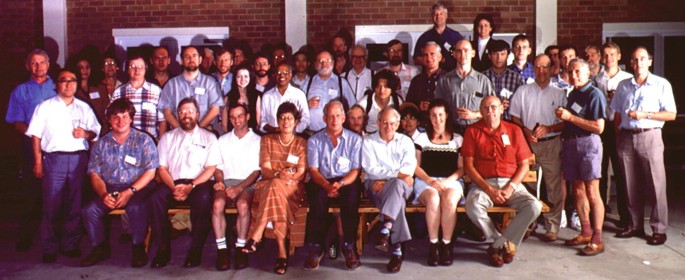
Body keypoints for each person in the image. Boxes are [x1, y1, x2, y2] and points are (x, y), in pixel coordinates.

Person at [26, 69, 101, 263]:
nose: (68, 84)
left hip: (78, 160)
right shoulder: (45, 107)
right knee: (51, 204)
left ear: (77, 84)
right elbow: (36, 135)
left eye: (72, 80)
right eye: (63, 80)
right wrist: (37, 161)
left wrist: (86, 133)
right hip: (54, 160)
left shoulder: (84, 107)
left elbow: (95, 132)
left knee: (74, 204)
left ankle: (70, 245)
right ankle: (49, 247)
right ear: (56, 84)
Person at [463, 95, 542, 267]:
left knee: (534, 206)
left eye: (493, 107)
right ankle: (501, 242)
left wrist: (511, 187)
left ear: (501, 109)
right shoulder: (472, 131)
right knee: (472, 206)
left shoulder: (514, 130)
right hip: (484, 184)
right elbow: (468, 167)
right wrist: (489, 190)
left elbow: (524, 165)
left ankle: (496, 246)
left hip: (512, 184)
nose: (490, 111)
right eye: (485, 108)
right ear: (481, 111)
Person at [80, 98, 158, 267]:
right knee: (90, 210)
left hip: (139, 187)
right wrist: (102, 194)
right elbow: (94, 174)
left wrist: (130, 191)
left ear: (131, 118)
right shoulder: (101, 144)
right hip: (110, 188)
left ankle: (138, 247)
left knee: (135, 207)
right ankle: (99, 248)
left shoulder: (144, 140)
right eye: (115, 117)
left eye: (124, 116)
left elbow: (151, 172)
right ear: (109, 120)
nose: (120, 121)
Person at [610, 47, 676, 246]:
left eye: (642, 59)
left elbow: (670, 114)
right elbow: (616, 113)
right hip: (626, 138)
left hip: (650, 136)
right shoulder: (623, 85)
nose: (638, 63)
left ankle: (658, 229)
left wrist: (645, 114)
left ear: (650, 61)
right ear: (630, 63)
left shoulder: (661, 84)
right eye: (635, 60)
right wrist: (618, 134)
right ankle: (634, 225)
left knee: (656, 184)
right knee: (630, 185)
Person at [149, 97, 220, 268]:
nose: (186, 115)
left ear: (197, 114)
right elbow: (162, 168)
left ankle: (195, 251)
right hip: (172, 183)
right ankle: (163, 250)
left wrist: (191, 186)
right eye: (182, 112)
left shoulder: (209, 137)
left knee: (203, 199)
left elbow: (210, 168)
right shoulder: (167, 137)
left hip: (198, 183)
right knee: (154, 199)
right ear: (177, 115)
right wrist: (174, 187)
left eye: (190, 111)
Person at [242, 102, 308, 275]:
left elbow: (301, 173)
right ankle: (282, 254)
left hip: (293, 187)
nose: (286, 121)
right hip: (269, 185)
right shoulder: (267, 140)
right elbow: (265, 169)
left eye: (290, 118)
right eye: (282, 118)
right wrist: (280, 175)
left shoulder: (302, 142)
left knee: (276, 188)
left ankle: (257, 232)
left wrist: (288, 177)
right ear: (278, 121)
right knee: (274, 187)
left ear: (296, 122)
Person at [509, 54, 567, 242]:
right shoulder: (523, 91)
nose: (541, 71)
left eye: (545, 67)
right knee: (527, 186)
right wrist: (525, 131)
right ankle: (528, 223)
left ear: (552, 68)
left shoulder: (559, 93)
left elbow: (566, 122)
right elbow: (514, 117)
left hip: (551, 143)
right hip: (527, 144)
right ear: (533, 69)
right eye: (538, 67)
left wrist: (550, 128)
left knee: (553, 187)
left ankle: (552, 226)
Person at [5, 49, 57, 252]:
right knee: (30, 192)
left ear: (48, 64)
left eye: (42, 62)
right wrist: (34, 134)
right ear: (27, 66)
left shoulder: (59, 86)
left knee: (56, 192)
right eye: (34, 63)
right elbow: (15, 120)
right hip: (30, 145)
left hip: (56, 145)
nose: (38, 66)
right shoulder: (20, 91)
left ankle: (56, 236)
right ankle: (26, 236)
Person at [556, 58, 607, 256]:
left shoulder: (594, 94)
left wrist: (570, 117)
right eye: (570, 72)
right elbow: (570, 122)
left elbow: (599, 127)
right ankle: (585, 232)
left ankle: (597, 238)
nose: (574, 75)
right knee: (577, 190)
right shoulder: (573, 93)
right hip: (571, 143)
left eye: (578, 72)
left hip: (588, 144)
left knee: (592, 191)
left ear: (587, 74)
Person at [304, 100, 363, 270]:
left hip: (346, 180)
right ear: (324, 118)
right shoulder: (314, 140)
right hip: (322, 180)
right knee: (317, 197)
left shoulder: (354, 139)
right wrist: (327, 186)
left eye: (338, 116)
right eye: (330, 116)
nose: (334, 120)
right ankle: (315, 247)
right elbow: (314, 171)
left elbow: (355, 170)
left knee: (352, 196)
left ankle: (349, 246)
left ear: (344, 118)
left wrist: (340, 184)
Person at [361, 107, 417, 273]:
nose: (388, 127)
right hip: (376, 186)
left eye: (392, 123)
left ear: (398, 124)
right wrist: (394, 175)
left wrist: (388, 178)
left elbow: (408, 169)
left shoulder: (406, 141)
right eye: (384, 123)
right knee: (397, 193)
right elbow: (370, 169)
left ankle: (386, 229)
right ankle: (396, 250)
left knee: (398, 187)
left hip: (399, 185)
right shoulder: (368, 142)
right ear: (378, 122)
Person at [412, 99, 464, 266]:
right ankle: (434, 245)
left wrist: (447, 181)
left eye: (441, 114)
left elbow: (462, 169)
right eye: (433, 115)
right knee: (433, 199)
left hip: (452, 180)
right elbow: (415, 166)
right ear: (429, 117)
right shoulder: (421, 138)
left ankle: (446, 245)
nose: (437, 119)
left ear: (447, 116)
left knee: (449, 200)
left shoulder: (457, 139)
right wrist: (430, 180)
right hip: (426, 181)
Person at [212, 103, 261, 270]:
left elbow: (256, 172)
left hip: (247, 183)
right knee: (217, 204)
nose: (236, 120)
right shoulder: (223, 140)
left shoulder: (257, 140)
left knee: (243, 205)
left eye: (240, 116)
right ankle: (222, 250)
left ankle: (241, 247)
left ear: (247, 117)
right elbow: (218, 167)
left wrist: (239, 188)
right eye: (232, 117)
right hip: (226, 182)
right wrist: (219, 180)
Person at [594, 42, 633, 228]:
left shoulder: (628, 78)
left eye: (612, 54)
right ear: (602, 57)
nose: (608, 58)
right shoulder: (596, 78)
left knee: (621, 172)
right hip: (602, 127)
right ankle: (600, 214)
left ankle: (626, 218)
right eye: (605, 55)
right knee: (599, 172)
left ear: (619, 56)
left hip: (620, 128)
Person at [435, 39, 494, 133]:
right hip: (451, 131)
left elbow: (493, 109)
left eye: (466, 50)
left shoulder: (483, 81)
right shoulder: (444, 81)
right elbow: (437, 108)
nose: (462, 54)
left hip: (477, 129)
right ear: (454, 54)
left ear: (473, 53)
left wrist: (475, 115)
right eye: (459, 51)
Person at [159, 46, 224, 131]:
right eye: (187, 56)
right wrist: (181, 131)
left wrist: (198, 129)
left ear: (200, 60)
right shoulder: (171, 84)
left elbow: (215, 109)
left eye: (194, 56)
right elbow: (166, 111)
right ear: (182, 61)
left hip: (205, 132)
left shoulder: (210, 82)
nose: (191, 59)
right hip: (178, 134)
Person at [110, 54, 167, 139]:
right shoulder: (118, 92)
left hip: (150, 143)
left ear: (145, 69)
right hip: (125, 143)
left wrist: (160, 143)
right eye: (132, 67)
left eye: (140, 67)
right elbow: (112, 119)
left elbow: (162, 121)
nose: (137, 70)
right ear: (127, 70)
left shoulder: (156, 91)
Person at [302, 50, 356, 133]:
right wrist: (306, 105)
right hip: (311, 133)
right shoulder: (307, 83)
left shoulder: (342, 83)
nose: (324, 64)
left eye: (327, 61)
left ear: (333, 63)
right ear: (315, 64)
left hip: (336, 133)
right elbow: (297, 108)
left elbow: (353, 108)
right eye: (320, 61)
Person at [260, 63, 310, 134]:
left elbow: (306, 118)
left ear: (290, 75)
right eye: (278, 72)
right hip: (273, 135)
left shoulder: (299, 94)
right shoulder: (267, 96)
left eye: (285, 72)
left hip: (294, 136)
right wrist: (274, 130)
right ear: (274, 75)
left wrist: (294, 131)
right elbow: (262, 120)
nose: (282, 75)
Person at [482, 39, 524, 120]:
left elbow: (523, 104)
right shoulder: (482, 77)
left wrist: (510, 104)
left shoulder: (517, 78)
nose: (499, 58)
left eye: (502, 54)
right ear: (489, 56)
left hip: (511, 123)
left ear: (508, 55)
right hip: (487, 122)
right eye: (495, 54)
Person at [413, 2, 463, 70]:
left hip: (451, 76)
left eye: (441, 14)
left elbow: (463, 56)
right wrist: (431, 60)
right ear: (432, 16)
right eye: (435, 14)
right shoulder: (424, 38)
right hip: (430, 76)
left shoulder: (456, 37)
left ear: (446, 15)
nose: (438, 16)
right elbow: (416, 59)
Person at [406, 41, 447, 124]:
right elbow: (408, 104)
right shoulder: (416, 80)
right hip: (420, 125)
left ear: (439, 57)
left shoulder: (448, 79)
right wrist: (418, 105)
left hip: (441, 124)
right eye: (425, 55)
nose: (428, 58)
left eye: (432, 54)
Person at [356, 69, 403, 133]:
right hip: (369, 136)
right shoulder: (364, 103)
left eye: (386, 87)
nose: (382, 90)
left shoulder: (397, 101)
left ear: (392, 89)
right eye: (378, 86)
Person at [223, 64, 262, 131]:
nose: (242, 79)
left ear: (250, 77)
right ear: (235, 78)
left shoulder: (256, 96)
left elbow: (258, 122)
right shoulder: (228, 98)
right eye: (239, 76)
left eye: (246, 76)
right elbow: (225, 124)